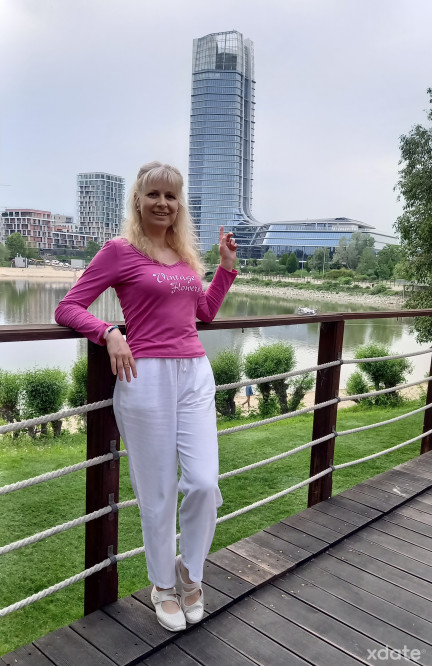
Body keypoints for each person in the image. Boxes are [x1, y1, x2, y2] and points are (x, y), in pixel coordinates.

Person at [55, 161, 237, 632]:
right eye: (153, 194)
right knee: (156, 492)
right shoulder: (119, 251)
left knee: (203, 482)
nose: (162, 203)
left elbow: (204, 313)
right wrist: (109, 332)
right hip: (145, 374)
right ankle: (162, 585)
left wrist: (225, 269)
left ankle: (190, 573)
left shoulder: (182, 254)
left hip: (194, 373)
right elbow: (68, 307)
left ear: (179, 205)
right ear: (138, 200)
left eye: (171, 196)